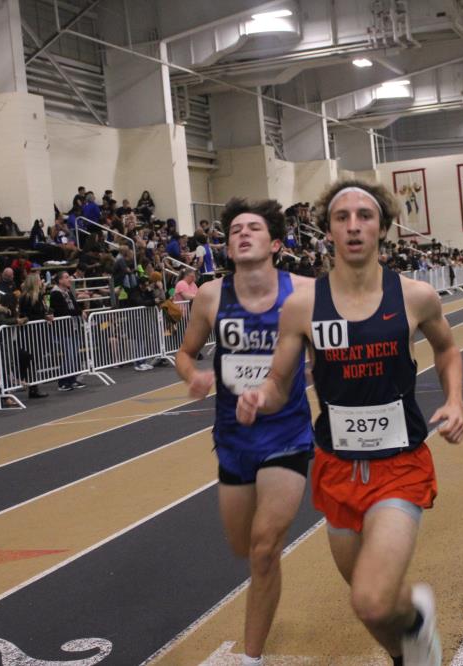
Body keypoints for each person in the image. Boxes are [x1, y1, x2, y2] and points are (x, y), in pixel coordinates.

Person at [236, 180, 463, 666]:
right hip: (337, 470)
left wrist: (455, 401)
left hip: (399, 467)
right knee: (371, 605)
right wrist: (259, 397)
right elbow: (278, 381)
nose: (354, 226)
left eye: (365, 216)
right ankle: (408, 648)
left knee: (371, 599)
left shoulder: (415, 296)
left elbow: (446, 349)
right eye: (342, 217)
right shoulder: (302, 306)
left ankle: (415, 619)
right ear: (328, 230)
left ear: (383, 227)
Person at [176, 197, 314, 665]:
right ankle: (266, 586)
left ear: (275, 243)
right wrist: (193, 376)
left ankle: (250, 658)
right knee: (242, 546)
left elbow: (329, 350)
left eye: (253, 227)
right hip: (233, 438)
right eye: (235, 229)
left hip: (286, 433)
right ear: (227, 246)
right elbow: (185, 353)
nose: (242, 234)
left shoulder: (304, 292)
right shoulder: (211, 295)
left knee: (263, 548)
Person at [49, 271, 85, 392]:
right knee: (69, 355)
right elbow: (63, 311)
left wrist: (80, 311)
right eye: (66, 277)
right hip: (63, 329)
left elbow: (75, 306)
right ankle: (63, 381)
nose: (69, 279)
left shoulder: (68, 291)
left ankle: (72, 379)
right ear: (60, 281)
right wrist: (79, 312)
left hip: (73, 326)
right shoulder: (55, 293)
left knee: (74, 355)